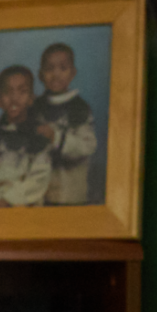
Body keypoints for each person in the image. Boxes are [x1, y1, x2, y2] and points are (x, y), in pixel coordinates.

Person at [0, 65, 51, 208]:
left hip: (23, 208)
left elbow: (39, 179)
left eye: (22, 92)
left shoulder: (38, 136)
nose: (14, 98)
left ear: (31, 98)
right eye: (8, 92)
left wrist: (8, 200)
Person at [31, 43, 98, 205]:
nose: (56, 75)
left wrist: (56, 137)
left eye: (63, 68)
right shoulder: (35, 106)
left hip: (70, 191)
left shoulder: (79, 108)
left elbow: (88, 146)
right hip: (40, 192)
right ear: (40, 75)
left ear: (72, 73)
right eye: (49, 69)